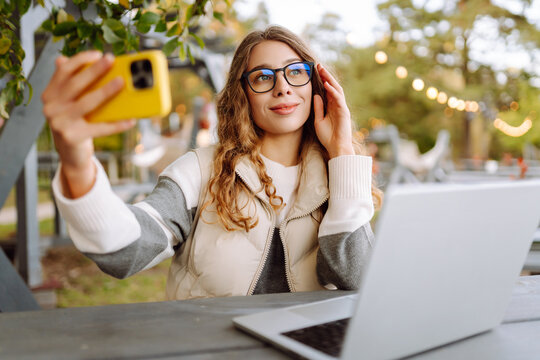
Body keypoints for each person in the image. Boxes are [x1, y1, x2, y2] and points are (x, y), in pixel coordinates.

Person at [42, 25, 382, 300]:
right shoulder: (199, 171)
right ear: (242, 93)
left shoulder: (339, 175)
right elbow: (124, 251)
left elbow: (358, 278)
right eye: (263, 77)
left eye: (296, 72)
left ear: (317, 84)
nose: (282, 87)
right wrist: (76, 161)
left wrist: (341, 152)